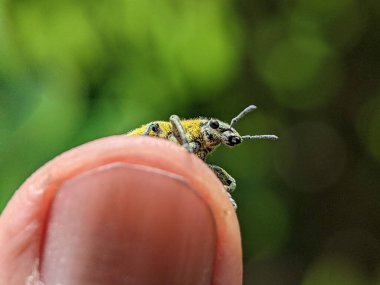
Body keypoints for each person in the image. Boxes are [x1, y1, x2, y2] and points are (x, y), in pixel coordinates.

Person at [0, 136, 242, 285]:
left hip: (154, 157)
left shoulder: (203, 146)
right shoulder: (189, 131)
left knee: (225, 182)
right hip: (149, 141)